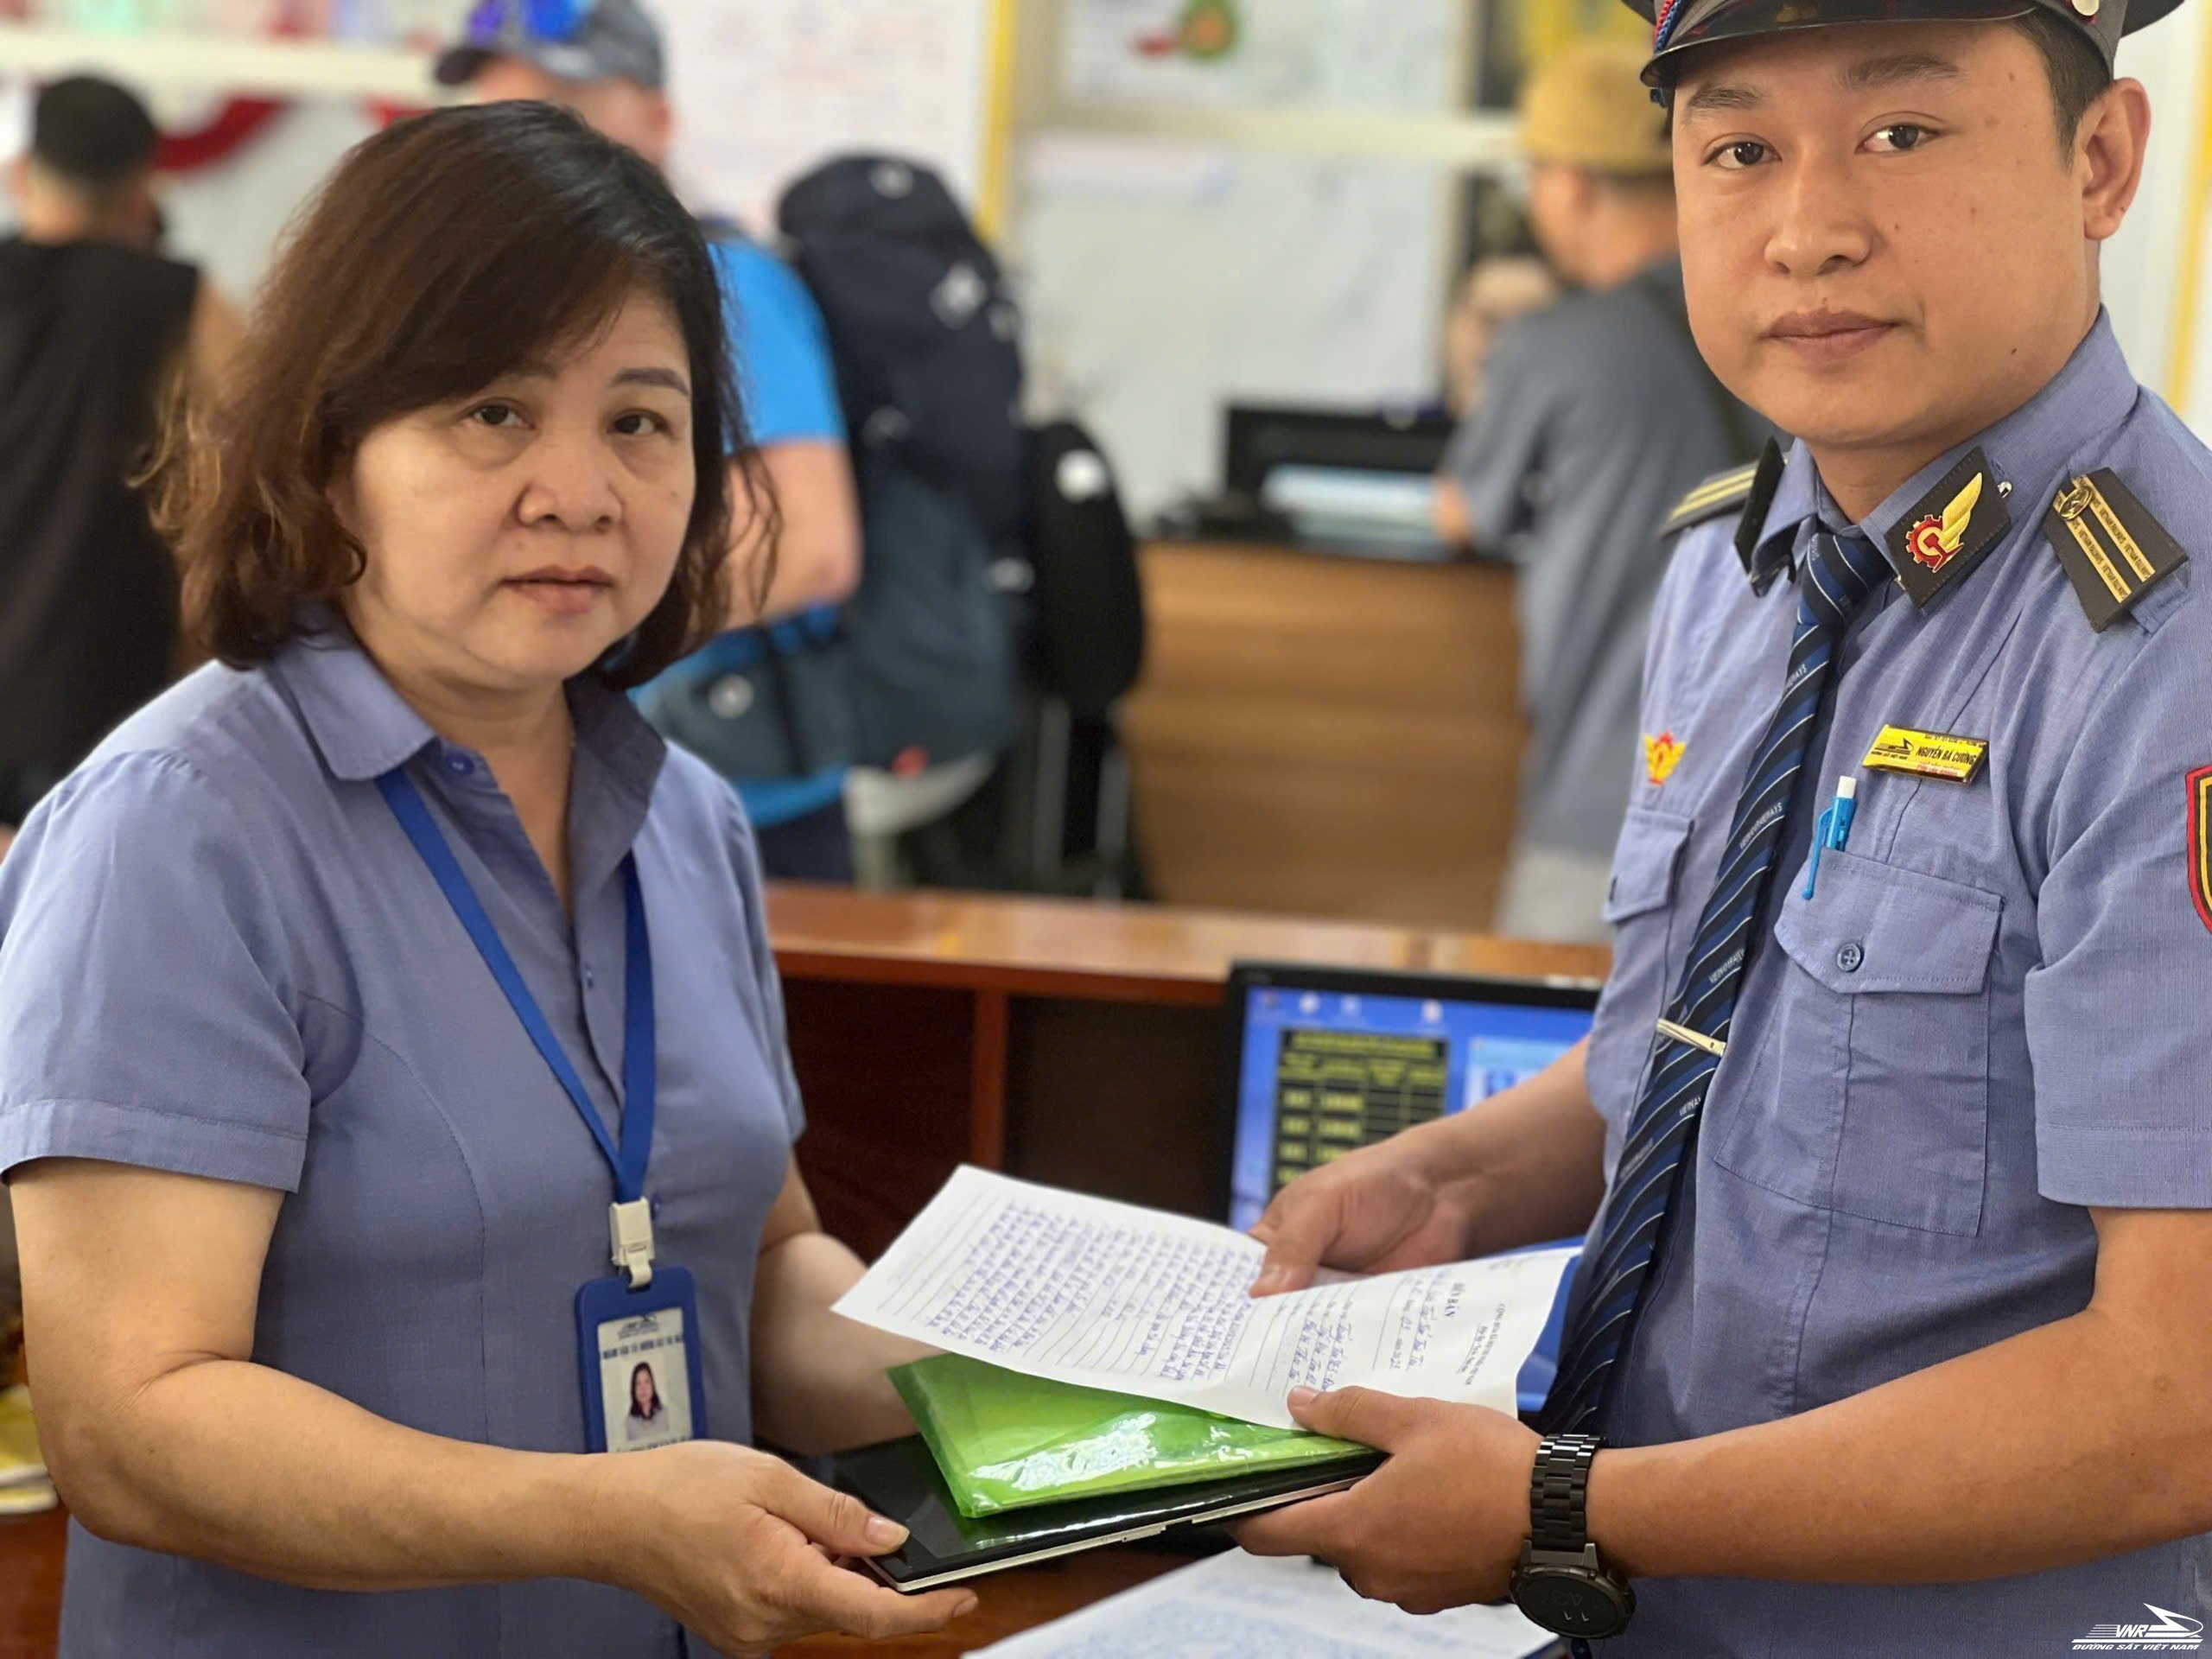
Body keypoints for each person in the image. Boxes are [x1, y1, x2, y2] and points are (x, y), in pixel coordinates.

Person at [1235, 2, 2212, 1655]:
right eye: (1739, 148)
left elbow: (2176, 1392)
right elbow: (1749, 1029)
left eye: (1902, 135)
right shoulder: (1734, 569)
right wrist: (1473, 1168)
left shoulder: (2166, 653)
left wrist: (1561, 1506)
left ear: (2102, 158)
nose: (1810, 228)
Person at [0, 102, 972, 1657]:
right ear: (329, 453)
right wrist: (607, 1518)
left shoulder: (693, 821)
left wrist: (1053, 1378)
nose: (580, 491)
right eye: (495, 415)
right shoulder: (177, 830)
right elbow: (132, 1426)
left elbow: (767, 1268)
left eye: (642, 422)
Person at [440, 0, 867, 880]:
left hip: (733, 808)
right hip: (560, 792)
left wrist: (571, 634)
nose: (520, 161)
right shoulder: (497, 308)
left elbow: (810, 547)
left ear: (657, 121)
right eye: (494, 125)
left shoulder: (721, 284)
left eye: (560, 115)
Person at [1436, 40, 1765, 944]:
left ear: (1570, 186)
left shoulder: (1554, 343)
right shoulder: (1786, 330)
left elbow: (1461, 510)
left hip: (1599, 805)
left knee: (1546, 1060)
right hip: (1771, 809)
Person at [0, 74, 243, 838]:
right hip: (101, 684)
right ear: (144, 183)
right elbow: (271, 452)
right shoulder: (181, 299)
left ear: (23, 170)